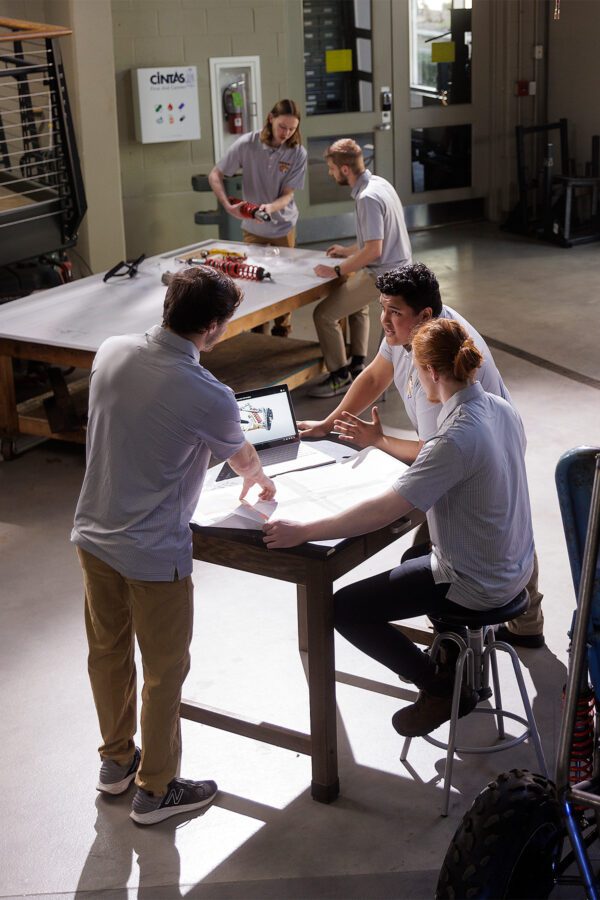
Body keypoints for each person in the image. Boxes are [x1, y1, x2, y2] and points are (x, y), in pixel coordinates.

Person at [71, 266, 276, 826]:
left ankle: (116, 764)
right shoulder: (207, 393)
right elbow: (239, 455)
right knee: (164, 670)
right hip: (153, 553)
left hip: (93, 536)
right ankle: (156, 790)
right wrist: (257, 478)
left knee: (107, 654)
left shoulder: (110, 351)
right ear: (212, 327)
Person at [264, 317, 535, 737]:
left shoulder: (454, 437)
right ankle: (450, 655)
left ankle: (440, 686)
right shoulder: (500, 408)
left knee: (344, 609)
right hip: (515, 569)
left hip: (477, 581)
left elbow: (385, 511)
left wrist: (304, 530)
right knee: (413, 556)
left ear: (428, 371)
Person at [299, 262, 544, 647]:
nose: (384, 320)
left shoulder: (445, 402)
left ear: (424, 319)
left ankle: (453, 659)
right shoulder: (432, 341)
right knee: (486, 534)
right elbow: (374, 376)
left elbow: (420, 468)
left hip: (473, 462)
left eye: (393, 311)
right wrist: (331, 422)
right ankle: (489, 630)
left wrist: (308, 530)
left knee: (444, 545)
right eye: (382, 307)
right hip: (484, 455)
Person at [307, 138, 412, 399]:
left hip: (384, 275)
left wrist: (337, 270)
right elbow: (373, 241)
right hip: (398, 268)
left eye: (331, 169)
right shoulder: (379, 184)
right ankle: (356, 365)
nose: (331, 174)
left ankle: (339, 375)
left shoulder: (366, 198)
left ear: (344, 169)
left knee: (324, 314)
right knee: (357, 306)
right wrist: (347, 251)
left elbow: (374, 251)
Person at [208, 98, 307, 337]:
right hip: (253, 229)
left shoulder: (297, 153)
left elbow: (287, 195)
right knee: (253, 279)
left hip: (283, 227)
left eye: (292, 128)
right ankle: (257, 331)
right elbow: (216, 174)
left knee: (284, 280)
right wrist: (227, 205)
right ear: (271, 119)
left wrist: (269, 208)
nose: (286, 133)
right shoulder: (247, 144)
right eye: (282, 126)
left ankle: (282, 331)